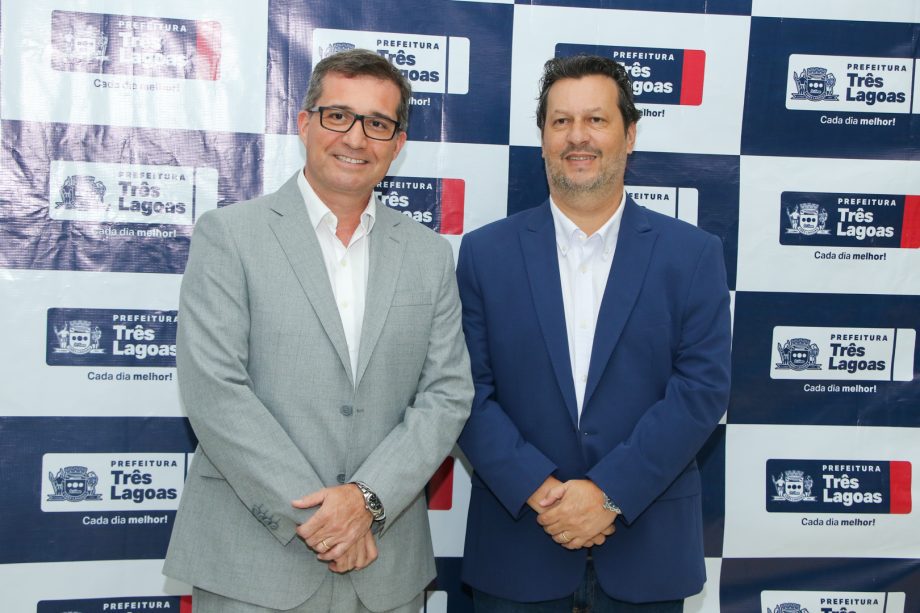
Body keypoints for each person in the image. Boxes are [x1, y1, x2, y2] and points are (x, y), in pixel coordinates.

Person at [163, 49, 473, 612]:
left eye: (377, 123)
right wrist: (328, 519)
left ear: (398, 143)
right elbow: (215, 390)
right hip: (253, 565)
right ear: (305, 123)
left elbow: (447, 394)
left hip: (385, 569)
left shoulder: (429, 255)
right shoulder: (230, 235)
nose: (355, 137)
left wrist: (367, 501)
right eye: (338, 116)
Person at [456, 54, 731, 611]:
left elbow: (701, 392)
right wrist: (542, 491)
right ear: (542, 138)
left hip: (647, 550)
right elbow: (464, 391)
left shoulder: (693, 255)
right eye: (561, 121)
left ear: (630, 135)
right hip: (517, 549)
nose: (577, 136)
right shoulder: (484, 253)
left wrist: (608, 494)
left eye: (596, 120)